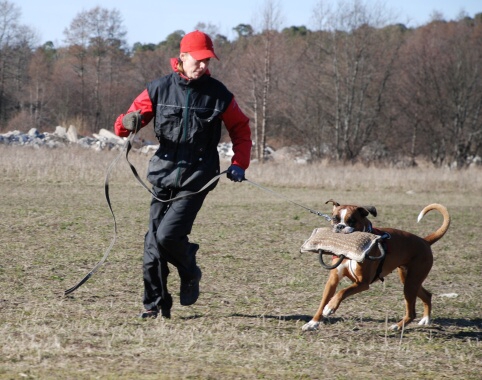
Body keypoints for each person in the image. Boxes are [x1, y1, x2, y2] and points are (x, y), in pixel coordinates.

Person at [114, 30, 252, 319]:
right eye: (198, 59)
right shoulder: (158, 88)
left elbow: (241, 130)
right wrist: (129, 122)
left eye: (207, 60)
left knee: (166, 236)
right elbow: (122, 126)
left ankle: (190, 269)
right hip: (162, 176)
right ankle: (155, 305)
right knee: (153, 243)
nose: (203, 65)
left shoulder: (219, 94)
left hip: (198, 178)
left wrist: (239, 163)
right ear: (183, 57)